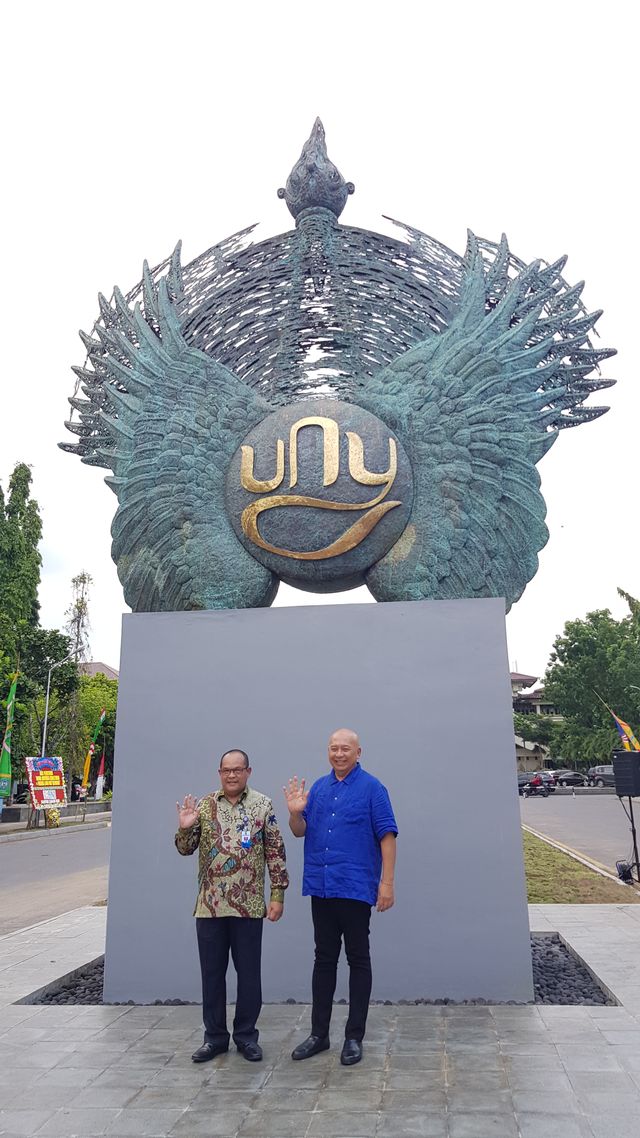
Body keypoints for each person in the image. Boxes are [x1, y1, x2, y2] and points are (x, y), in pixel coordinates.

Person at [284, 728, 397, 1067]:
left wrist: (386, 884)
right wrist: (294, 812)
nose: (339, 754)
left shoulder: (373, 789)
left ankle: (354, 1036)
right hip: (322, 885)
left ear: (358, 752)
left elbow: (388, 836)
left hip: (355, 886)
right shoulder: (318, 788)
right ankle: (319, 1034)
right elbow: (300, 830)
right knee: (323, 959)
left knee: (358, 959)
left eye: (345, 749)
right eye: (333, 748)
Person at [175, 748, 288, 1063]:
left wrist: (277, 895)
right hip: (210, 907)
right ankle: (214, 1039)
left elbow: (276, 852)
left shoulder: (262, 805)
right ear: (219, 773)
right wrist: (185, 827)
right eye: (226, 770)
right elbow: (186, 849)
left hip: (249, 906)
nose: (232, 775)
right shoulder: (205, 805)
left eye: (238, 769)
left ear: (248, 772)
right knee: (212, 975)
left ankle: (246, 1036)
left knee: (249, 975)